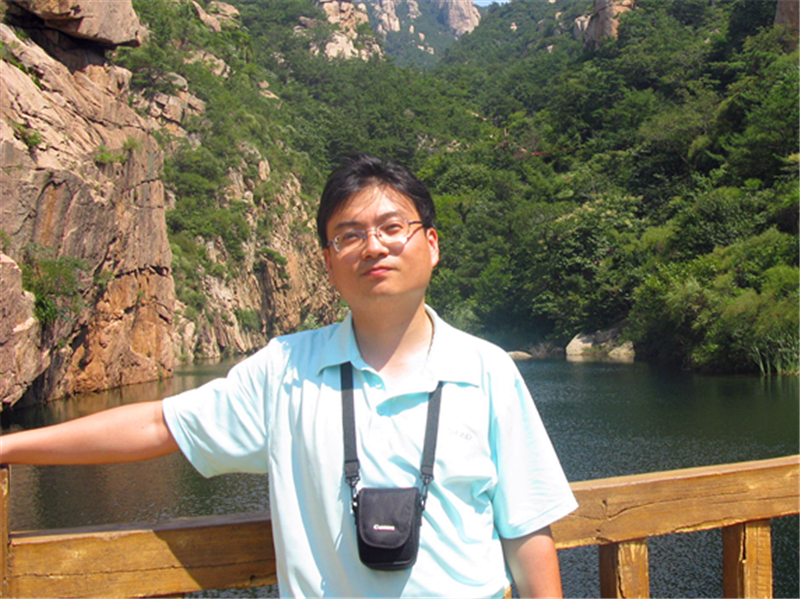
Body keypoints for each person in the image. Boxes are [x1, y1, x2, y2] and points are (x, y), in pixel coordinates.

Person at [0, 154, 577, 597]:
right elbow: (157, 424)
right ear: (327, 263)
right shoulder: (286, 371)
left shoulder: (486, 370)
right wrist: (8, 447)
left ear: (430, 244)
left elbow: (527, 531)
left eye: (391, 227)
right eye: (349, 235)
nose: (372, 246)